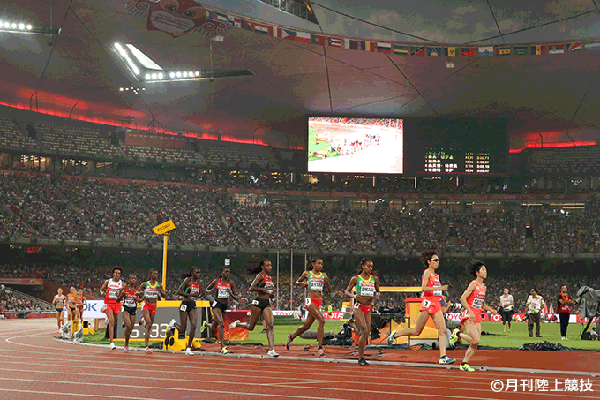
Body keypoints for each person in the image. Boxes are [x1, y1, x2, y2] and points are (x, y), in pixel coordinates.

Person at [387, 251, 455, 365]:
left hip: (436, 304)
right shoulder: (427, 272)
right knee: (416, 331)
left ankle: (443, 357)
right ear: (429, 262)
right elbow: (424, 288)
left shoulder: (437, 276)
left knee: (442, 330)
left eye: (438, 260)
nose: (438, 262)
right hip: (428, 304)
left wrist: (440, 295)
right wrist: (441, 288)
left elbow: (434, 290)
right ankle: (395, 335)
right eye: (435, 260)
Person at [450, 259, 497, 372]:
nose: (485, 272)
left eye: (486, 270)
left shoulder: (483, 287)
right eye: (483, 270)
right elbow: (463, 299)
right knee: (476, 340)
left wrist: (490, 309)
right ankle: (458, 333)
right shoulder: (473, 284)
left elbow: (481, 303)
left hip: (478, 315)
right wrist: (470, 311)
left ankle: (464, 363)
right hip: (469, 315)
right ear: (477, 272)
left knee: (475, 343)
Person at [229, 260, 279, 357]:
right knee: (251, 327)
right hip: (257, 302)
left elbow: (269, 291)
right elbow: (251, 288)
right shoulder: (260, 276)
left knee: (270, 325)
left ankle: (271, 350)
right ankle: (238, 323)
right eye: (267, 265)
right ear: (262, 267)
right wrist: (264, 289)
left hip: (266, 302)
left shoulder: (270, 278)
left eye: (270, 265)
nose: (270, 267)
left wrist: (271, 294)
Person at [286, 258, 334, 357]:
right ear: (313, 264)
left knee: (306, 326)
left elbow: (329, 290)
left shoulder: (324, 275)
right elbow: (297, 283)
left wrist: (327, 282)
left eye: (321, 264)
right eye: (318, 263)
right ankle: (320, 348)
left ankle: (292, 337)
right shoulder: (307, 274)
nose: (320, 266)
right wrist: (304, 284)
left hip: (318, 302)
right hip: (310, 301)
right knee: (322, 320)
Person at [344, 257, 380, 366]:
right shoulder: (356, 279)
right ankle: (361, 359)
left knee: (364, 333)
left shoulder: (375, 279)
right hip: (358, 307)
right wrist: (354, 295)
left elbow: (378, 291)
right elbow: (346, 291)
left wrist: (377, 295)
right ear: (363, 266)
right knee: (364, 330)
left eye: (371, 267)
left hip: (368, 308)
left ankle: (353, 325)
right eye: (368, 266)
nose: (370, 268)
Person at [205, 266, 240, 355]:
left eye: (228, 272)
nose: (227, 273)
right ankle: (222, 347)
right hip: (216, 304)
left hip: (224, 306)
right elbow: (207, 289)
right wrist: (212, 291)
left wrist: (230, 292)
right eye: (225, 272)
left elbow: (236, 297)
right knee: (221, 324)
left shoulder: (231, 283)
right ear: (221, 273)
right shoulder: (216, 281)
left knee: (214, 326)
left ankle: (206, 324)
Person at [175, 267, 206, 356]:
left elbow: (202, 293)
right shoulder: (187, 281)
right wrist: (190, 295)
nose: (199, 274)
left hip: (192, 305)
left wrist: (200, 295)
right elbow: (179, 291)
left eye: (199, 273)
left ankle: (188, 348)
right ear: (192, 273)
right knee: (182, 329)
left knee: (194, 325)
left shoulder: (199, 283)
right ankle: (173, 324)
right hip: (184, 304)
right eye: (197, 272)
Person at [136, 269, 165, 354]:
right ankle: (146, 346)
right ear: (150, 274)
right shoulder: (145, 284)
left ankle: (143, 318)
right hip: (146, 304)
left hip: (154, 305)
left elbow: (164, 295)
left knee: (149, 326)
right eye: (154, 274)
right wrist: (140, 294)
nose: (155, 275)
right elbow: (137, 293)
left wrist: (160, 291)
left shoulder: (159, 285)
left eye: (156, 274)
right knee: (148, 323)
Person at [100, 267, 124, 350]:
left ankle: (108, 318)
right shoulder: (108, 282)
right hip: (108, 303)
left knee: (114, 322)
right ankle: (111, 342)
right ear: (113, 274)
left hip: (117, 304)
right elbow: (101, 290)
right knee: (111, 321)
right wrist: (102, 293)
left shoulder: (122, 283)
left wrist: (121, 296)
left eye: (119, 273)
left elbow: (124, 293)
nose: (117, 275)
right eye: (116, 273)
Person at [119, 274, 139, 352]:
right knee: (128, 325)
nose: (134, 280)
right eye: (132, 278)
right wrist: (122, 294)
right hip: (126, 308)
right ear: (129, 279)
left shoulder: (137, 288)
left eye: (135, 278)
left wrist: (137, 298)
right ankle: (126, 344)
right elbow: (119, 298)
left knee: (130, 328)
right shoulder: (125, 287)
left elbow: (140, 299)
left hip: (133, 308)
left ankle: (127, 341)